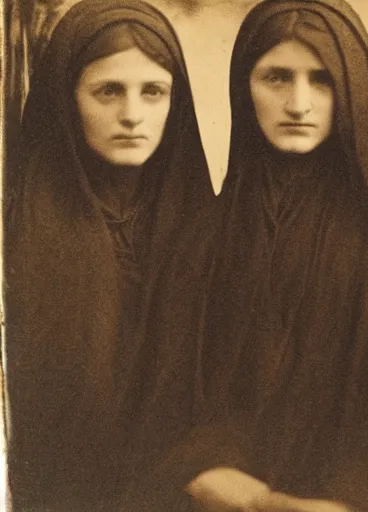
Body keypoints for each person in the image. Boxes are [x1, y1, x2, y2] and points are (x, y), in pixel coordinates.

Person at [122, 1, 368, 510]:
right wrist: (206, 470)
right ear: (244, 86)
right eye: (276, 78)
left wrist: (346, 500)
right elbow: (168, 394)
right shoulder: (207, 230)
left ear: (354, 90)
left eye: (321, 80)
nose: (298, 103)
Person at [4, 0, 213, 509]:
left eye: (154, 92)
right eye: (108, 91)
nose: (132, 115)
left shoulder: (208, 225)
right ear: (66, 99)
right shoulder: (22, 229)